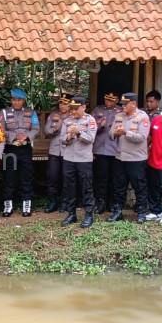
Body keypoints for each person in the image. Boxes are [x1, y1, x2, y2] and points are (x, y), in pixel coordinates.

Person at [107, 93, 150, 223]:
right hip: (120, 157)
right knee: (119, 186)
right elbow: (110, 135)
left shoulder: (143, 117)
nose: (123, 106)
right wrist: (115, 132)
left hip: (136, 159)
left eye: (126, 104)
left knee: (139, 186)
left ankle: (141, 212)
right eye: (122, 104)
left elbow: (142, 137)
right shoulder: (119, 116)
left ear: (134, 104)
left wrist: (125, 132)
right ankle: (117, 211)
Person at [0, 88, 40, 217]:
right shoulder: (4, 113)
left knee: (26, 177)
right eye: (14, 100)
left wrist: (26, 137)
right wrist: (14, 137)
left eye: (19, 100)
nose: (17, 102)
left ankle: (26, 205)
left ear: (24, 101)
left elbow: (36, 128)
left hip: (25, 148)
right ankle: (8, 205)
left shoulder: (31, 112)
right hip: (9, 149)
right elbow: (1, 129)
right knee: (8, 176)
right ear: (11, 100)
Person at [59, 96, 97, 228]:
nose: (73, 112)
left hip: (84, 160)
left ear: (84, 107)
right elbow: (62, 139)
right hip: (69, 158)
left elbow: (91, 138)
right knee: (69, 186)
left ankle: (88, 215)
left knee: (86, 187)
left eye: (76, 109)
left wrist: (79, 133)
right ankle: (71, 214)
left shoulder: (90, 120)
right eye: (72, 109)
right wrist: (68, 137)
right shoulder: (67, 120)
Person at [91, 92, 122, 214]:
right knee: (101, 178)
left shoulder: (121, 111)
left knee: (114, 178)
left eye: (111, 100)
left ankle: (112, 203)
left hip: (115, 150)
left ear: (117, 100)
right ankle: (100, 203)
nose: (108, 102)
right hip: (100, 149)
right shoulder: (97, 110)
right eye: (106, 99)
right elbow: (91, 128)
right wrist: (100, 126)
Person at [44, 93, 72, 213]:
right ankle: (52, 202)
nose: (62, 106)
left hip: (69, 151)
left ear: (70, 104)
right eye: (61, 103)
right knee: (52, 176)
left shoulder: (73, 116)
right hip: (55, 150)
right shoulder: (53, 116)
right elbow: (46, 131)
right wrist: (56, 128)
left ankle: (65, 202)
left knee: (66, 177)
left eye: (65, 103)